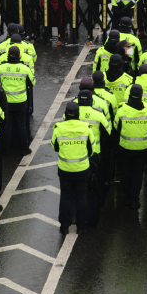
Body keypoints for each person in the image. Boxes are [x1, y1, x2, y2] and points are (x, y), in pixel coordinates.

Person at [51, 100, 93, 234]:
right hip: (82, 169)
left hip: (65, 169)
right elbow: (90, 149)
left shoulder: (59, 128)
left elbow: (55, 147)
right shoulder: (86, 128)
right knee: (81, 198)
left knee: (65, 197)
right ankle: (80, 226)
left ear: (66, 115)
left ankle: (64, 226)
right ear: (78, 114)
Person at [0, 45, 35, 154]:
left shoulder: (1, 68)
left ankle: (6, 150)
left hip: (6, 102)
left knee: (7, 125)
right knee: (21, 124)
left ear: (7, 55)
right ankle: (24, 148)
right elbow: (32, 83)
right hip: (21, 101)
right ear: (19, 56)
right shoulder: (25, 68)